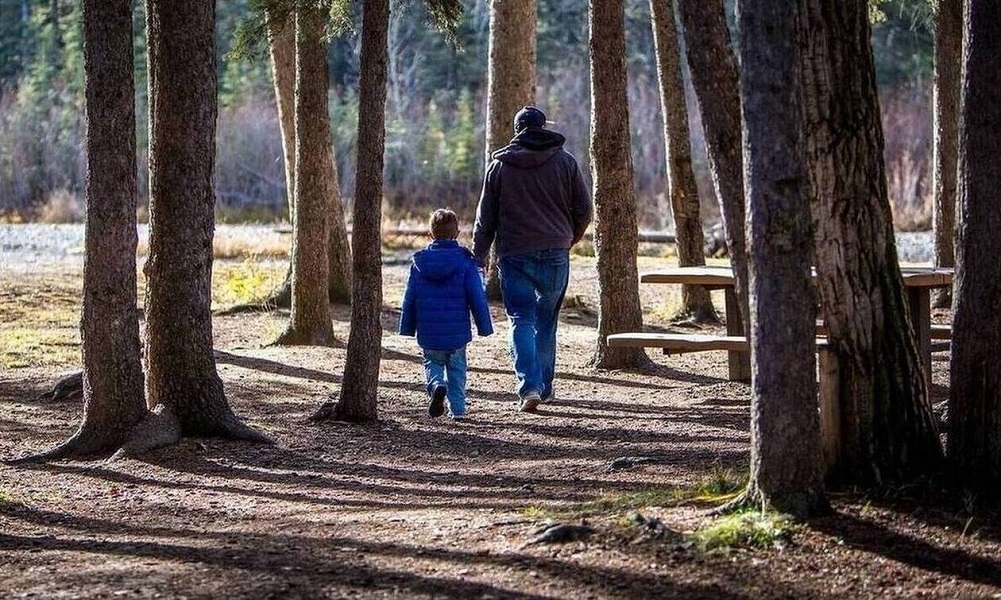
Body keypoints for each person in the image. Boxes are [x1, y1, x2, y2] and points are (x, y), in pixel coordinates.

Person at [472, 105, 592, 413]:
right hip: (555, 252)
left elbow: (485, 219)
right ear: (542, 128)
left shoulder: (499, 167)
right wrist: (569, 238)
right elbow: (584, 210)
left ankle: (529, 387)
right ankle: (545, 387)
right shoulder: (565, 162)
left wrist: (479, 255)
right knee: (546, 323)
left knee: (520, 320)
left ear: (517, 131)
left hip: (514, 254)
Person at [400, 208, 494, 419]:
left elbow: (410, 297)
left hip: (429, 331)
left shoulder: (419, 264)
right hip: (457, 332)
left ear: (430, 235)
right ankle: (458, 410)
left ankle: (436, 385)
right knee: (457, 370)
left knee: (432, 363)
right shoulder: (466, 262)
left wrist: (407, 327)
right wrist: (484, 326)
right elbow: (477, 296)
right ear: (457, 233)